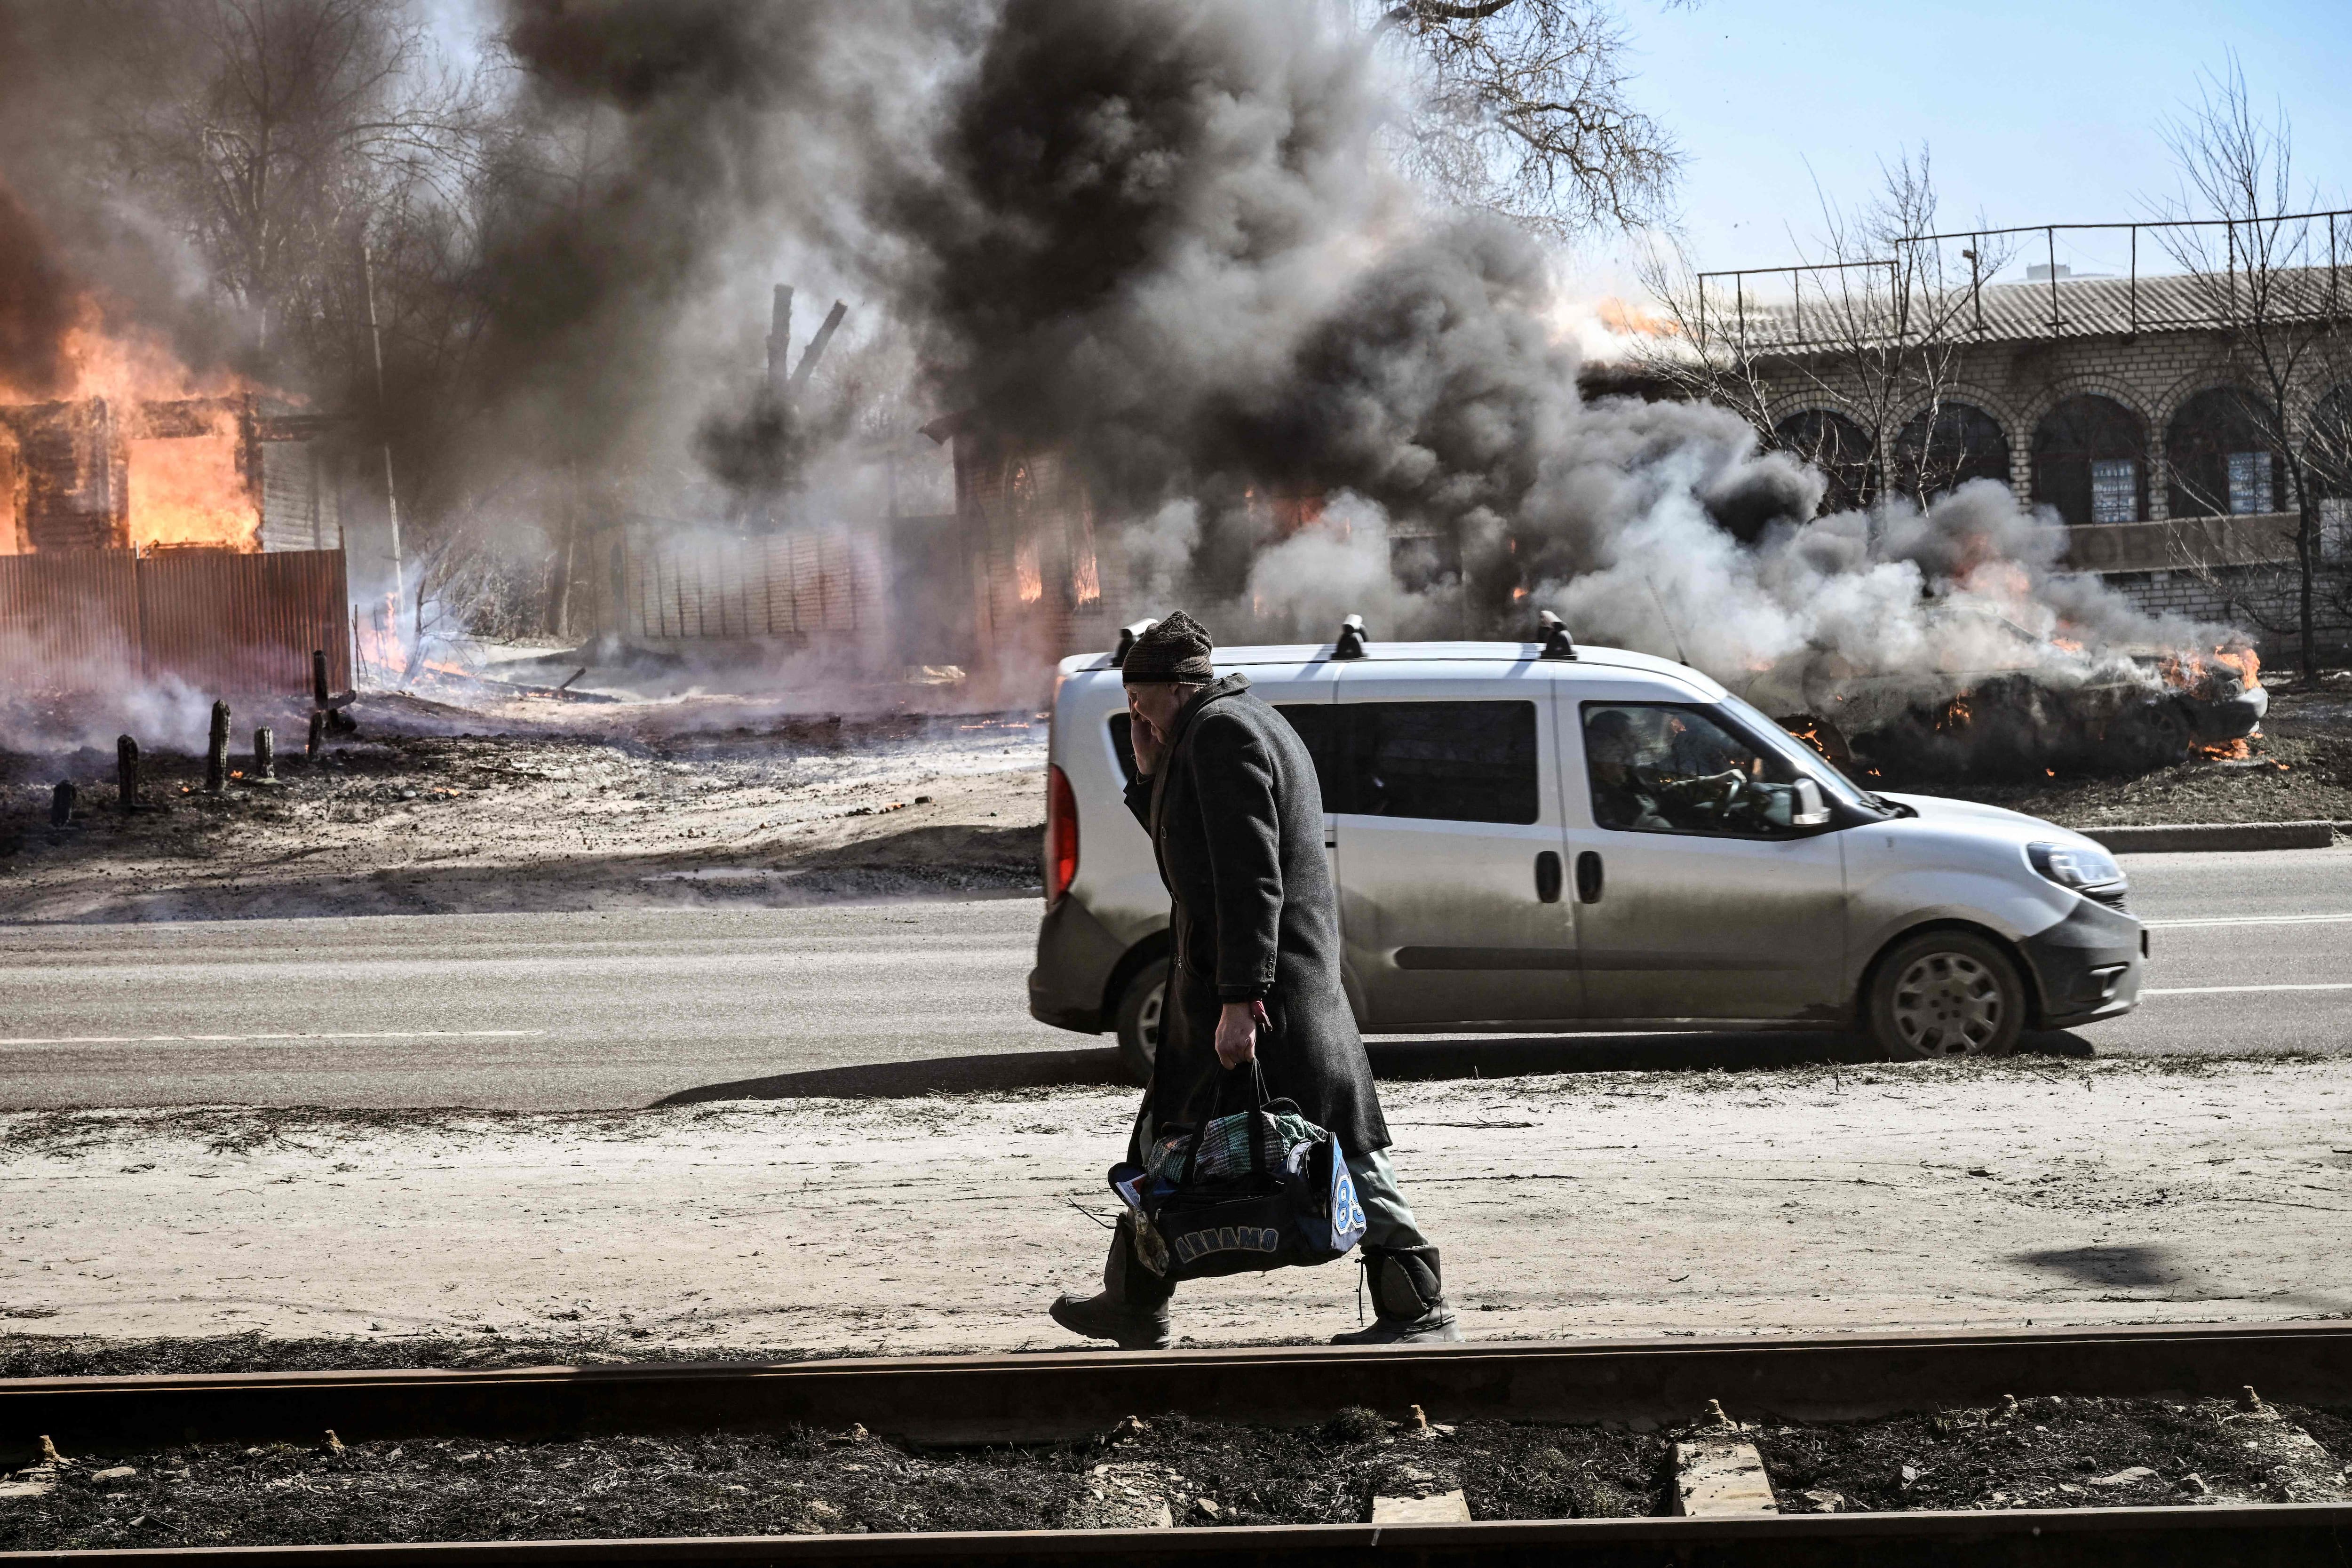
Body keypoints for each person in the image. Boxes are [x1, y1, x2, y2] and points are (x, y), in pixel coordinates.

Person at [1049, 610, 1459, 1349]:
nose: (1134, 712)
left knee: (1335, 1144)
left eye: (1140, 699)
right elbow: (1199, 849)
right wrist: (1149, 777)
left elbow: (1248, 881)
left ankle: (1417, 1301)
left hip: (1263, 996)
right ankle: (1134, 1297)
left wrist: (1242, 999)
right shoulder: (1229, 724)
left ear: (1178, 686)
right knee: (1161, 1140)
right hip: (1237, 986)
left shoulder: (1222, 734)